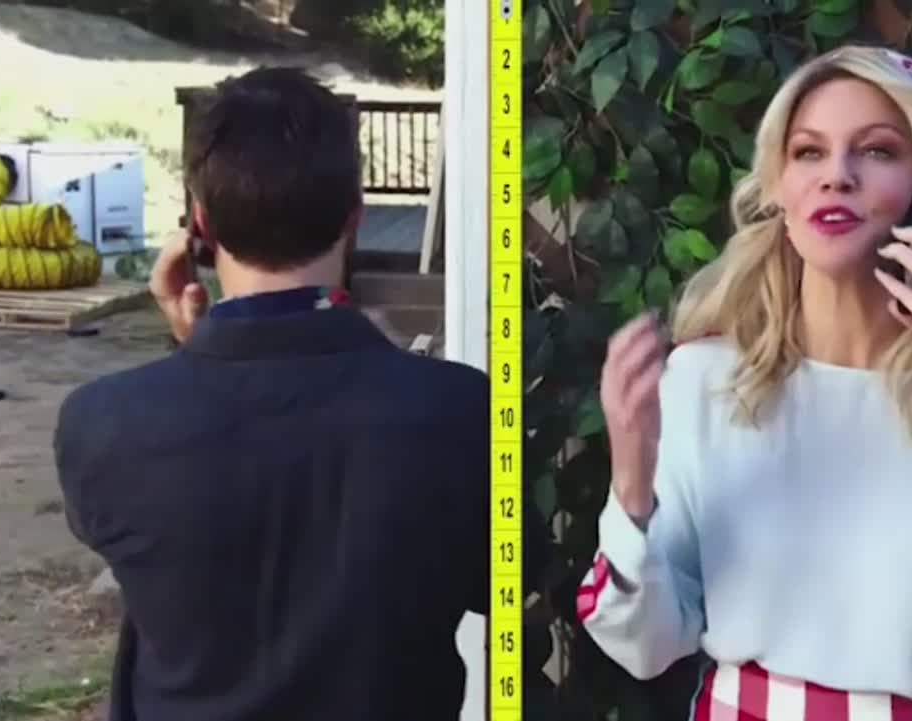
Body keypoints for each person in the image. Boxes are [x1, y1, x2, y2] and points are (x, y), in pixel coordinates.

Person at [579, 45, 912, 721]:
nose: (836, 177)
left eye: (876, 151)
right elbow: (642, 644)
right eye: (808, 152)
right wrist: (631, 483)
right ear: (778, 187)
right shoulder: (704, 380)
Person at [53, 66, 547, 721]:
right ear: (355, 218)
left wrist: (195, 347)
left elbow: (192, 510)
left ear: (201, 228)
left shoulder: (102, 426)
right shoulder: (460, 414)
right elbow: (510, 583)